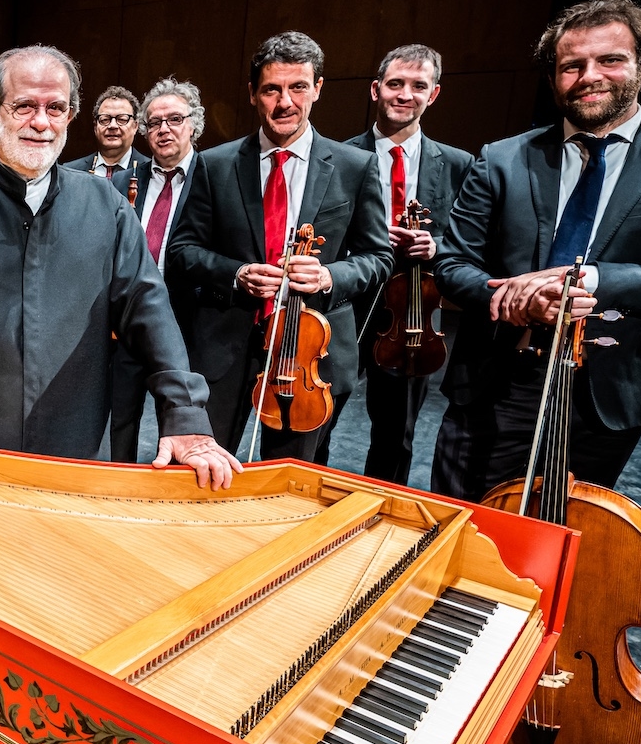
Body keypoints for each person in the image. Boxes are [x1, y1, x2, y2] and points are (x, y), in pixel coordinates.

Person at [0, 45, 238, 744]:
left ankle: (53, 713)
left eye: (54, 108)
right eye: (24, 107)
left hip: (72, 441)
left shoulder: (105, 207)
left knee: (60, 585)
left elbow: (148, 308)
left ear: (72, 119)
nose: (40, 122)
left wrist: (186, 416)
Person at [429, 0, 641, 499]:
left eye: (609, 60)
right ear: (554, 78)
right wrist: (512, 300)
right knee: (461, 524)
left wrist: (591, 279)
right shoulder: (503, 158)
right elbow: (451, 263)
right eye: (571, 65)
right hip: (498, 380)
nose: (589, 76)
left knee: (566, 538)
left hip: (609, 390)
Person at [165, 31, 391, 463]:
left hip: (311, 355)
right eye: (272, 89)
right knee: (199, 474)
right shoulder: (215, 165)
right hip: (226, 345)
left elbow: (378, 257)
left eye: (297, 87)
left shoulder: (355, 166)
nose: (284, 102)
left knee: (288, 481)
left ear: (317, 89)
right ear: (253, 94)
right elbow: (183, 249)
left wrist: (329, 275)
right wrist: (236, 273)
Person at [331, 45, 475, 483]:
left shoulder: (458, 164)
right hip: (348, 304)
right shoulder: (337, 157)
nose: (404, 95)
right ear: (376, 90)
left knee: (397, 431)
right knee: (321, 413)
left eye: (418, 86)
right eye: (395, 84)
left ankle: (382, 508)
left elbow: (472, 241)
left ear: (433, 95)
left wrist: (437, 246)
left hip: (414, 310)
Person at [107, 77, 203, 461]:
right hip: (130, 325)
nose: (163, 130)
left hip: (188, 327)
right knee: (120, 425)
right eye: (154, 122)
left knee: (181, 430)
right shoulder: (120, 181)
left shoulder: (215, 177)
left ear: (193, 124)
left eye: (174, 119)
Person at [62, 84, 150, 177]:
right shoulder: (70, 171)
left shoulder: (150, 173)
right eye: (105, 119)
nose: (112, 125)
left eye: (122, 119)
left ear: (135, 126)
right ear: (96, 127)